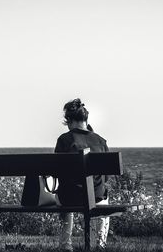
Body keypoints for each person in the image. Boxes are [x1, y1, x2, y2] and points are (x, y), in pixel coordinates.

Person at [54, 98, 110, 250]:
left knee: (64, 196)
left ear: (70, 120)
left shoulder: (64, 140)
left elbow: (56, 172)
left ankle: (66, 245)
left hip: (69, 197)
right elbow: (105, 177)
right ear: (86, 119)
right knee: (104, 197)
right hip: (96, 197)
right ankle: (99, 244)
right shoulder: (100, 141)